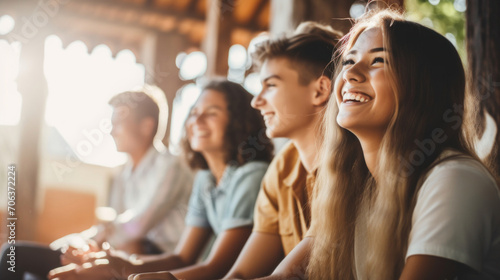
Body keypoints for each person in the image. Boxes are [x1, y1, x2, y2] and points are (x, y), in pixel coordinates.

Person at [268, 9, 500, 280]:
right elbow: (283, 277)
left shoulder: (455, 179)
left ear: (423, 86)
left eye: (378, 61)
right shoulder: (349, 189)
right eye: (348, 61)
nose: (350, 73)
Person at [48, 79, 274, 280]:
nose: (198, 120)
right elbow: (182, 257)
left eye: (212, 113)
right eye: (194, 113)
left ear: (238, 121)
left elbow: (217, 267)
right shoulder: (206, 179)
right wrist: (124, 265)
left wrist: (127, 272)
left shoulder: (250, 175)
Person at [0, 91, 194, 280]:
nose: (111, 131)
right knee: (37, 271)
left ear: (146, 126)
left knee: (14, 254)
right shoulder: (125, 173)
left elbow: (138, 226)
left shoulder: (170, 165)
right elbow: (115, 228)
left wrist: (89, 244)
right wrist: (77, 243)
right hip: (126, 252)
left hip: (158, 260)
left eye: (118, 124)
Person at [220, 22, 342, 279]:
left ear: (320, 90)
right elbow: (241, 274)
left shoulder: (356, 163)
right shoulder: (281, 168)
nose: (256, 100)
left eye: (271, 85)